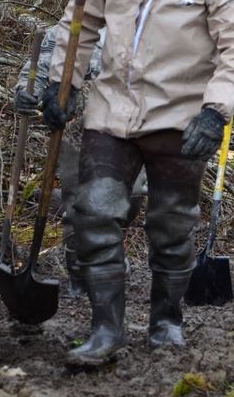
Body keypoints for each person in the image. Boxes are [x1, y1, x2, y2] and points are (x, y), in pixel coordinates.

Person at [44, 0, 234, 366]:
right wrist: (61, 85)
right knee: (94, 212)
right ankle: (104, 331)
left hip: (180, 123)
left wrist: (216, 111)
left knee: (171, 228)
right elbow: (79, 25)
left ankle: (165, 320)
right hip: (110, 114)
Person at [14, 26, 146, 297]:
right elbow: (41, 63)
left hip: (132, 118)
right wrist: (27, 91)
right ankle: (79, 272)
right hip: (79, 122)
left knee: (132, 194)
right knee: (79, 202)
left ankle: (109, 247)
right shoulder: (72, 26)